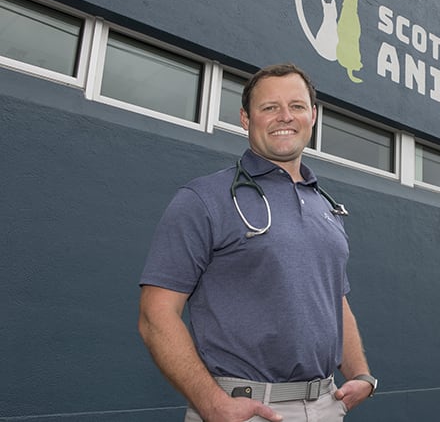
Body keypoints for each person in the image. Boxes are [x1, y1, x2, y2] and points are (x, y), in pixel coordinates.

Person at [138, 63, 377, 422]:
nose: (285, 116)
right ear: (246, 119)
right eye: (269, 107)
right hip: (246, 410)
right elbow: (155, 314)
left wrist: (360, 374)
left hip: (328, 406)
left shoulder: (326, 206)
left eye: (297, 106)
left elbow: (334, 301)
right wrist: (212, 404)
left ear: (313, 116)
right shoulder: (204, 198)